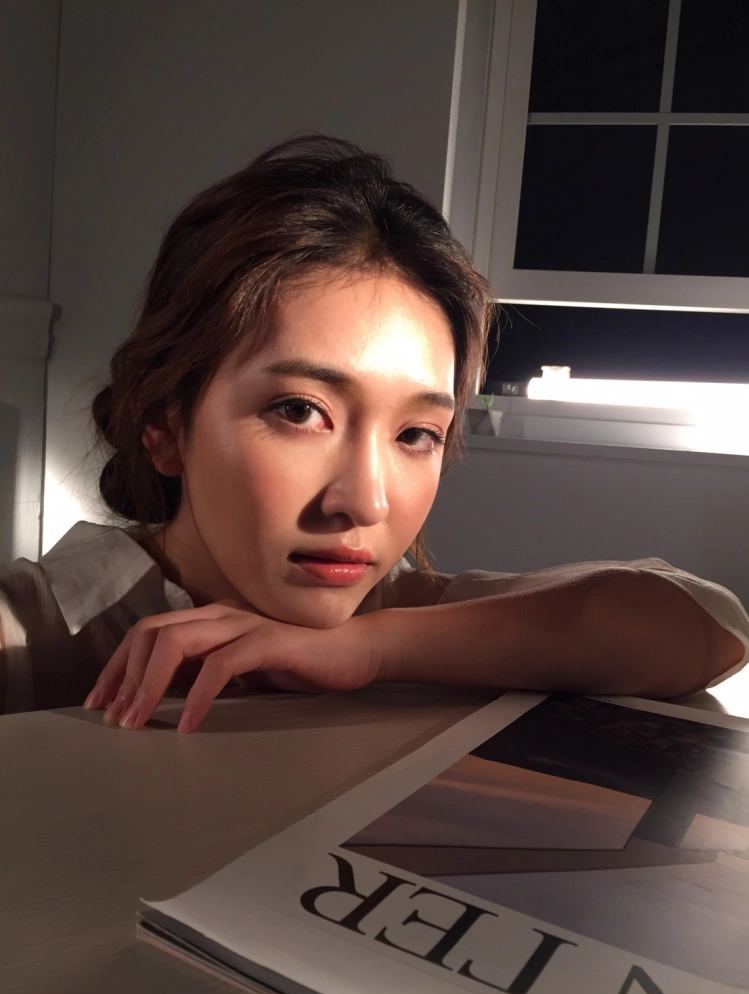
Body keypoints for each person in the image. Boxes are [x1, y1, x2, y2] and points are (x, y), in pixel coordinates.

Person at [1, 136, 747, 731]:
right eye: (300, 411)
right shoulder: (31, 634)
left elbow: (708, 625)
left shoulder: (401, 615)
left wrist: (371, 651)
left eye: (417, 433)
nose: (365, 502)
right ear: (164, 425)